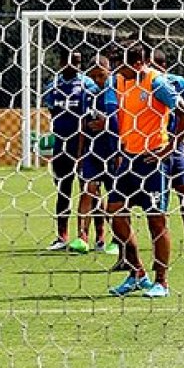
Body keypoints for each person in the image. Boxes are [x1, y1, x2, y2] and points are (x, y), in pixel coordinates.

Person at [106, 42, 184, 298]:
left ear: (137, 64)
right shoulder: (120, 81)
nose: (115, 70)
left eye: (119, 65)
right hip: (129, 158)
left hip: (153, 161)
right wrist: (122, 148)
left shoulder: (156, 83)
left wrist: (167, 150)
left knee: (156, 220)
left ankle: (162, 282)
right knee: (114, 212)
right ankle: (137, 273)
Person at [41, 48, 98, 251]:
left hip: (85, 145)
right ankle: (62, 236)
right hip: (61, 145)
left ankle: (96, 237)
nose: (77, 65)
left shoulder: (87, 84)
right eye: (73, 61)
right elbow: (51, 111)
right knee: (63, 190)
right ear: (62, 61)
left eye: (79, 61)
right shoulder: (53, 86)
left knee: (90, 190)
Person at [152, 50, 184, 253]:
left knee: (183, 190)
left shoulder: (177, 82)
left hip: (175, 146)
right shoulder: (147, 83)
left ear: (163, 66)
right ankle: (162, 236)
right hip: (155, 146)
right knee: (159, 194)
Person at [70, 56, 116, 256]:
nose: (97, 79)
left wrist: (107, 125)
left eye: (101, 75)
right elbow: (83, 124)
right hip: (93, 152)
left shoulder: (118, 93)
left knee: (115, 197)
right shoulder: (88, 95)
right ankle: (82, 237)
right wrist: (80, 154)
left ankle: (117, 238)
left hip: (114, 152)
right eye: (93, 76)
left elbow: (125, 121)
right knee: (87, 191)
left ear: (109, 71)